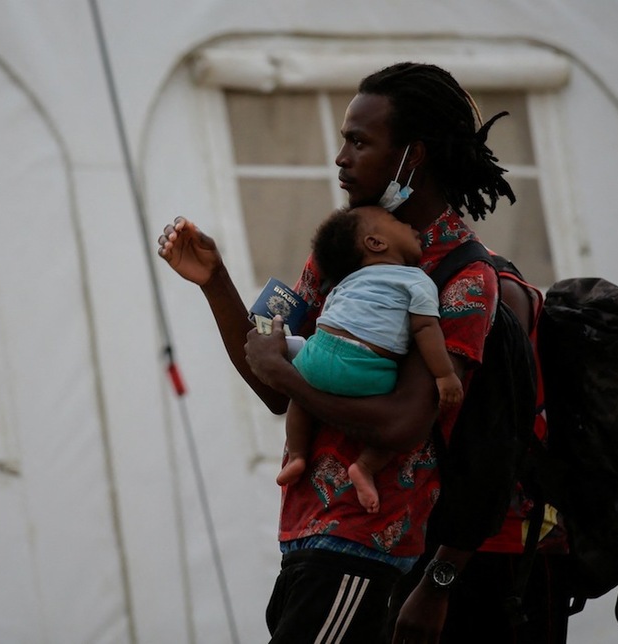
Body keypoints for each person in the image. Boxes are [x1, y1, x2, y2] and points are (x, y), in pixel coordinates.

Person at [158, 61, 515, 643]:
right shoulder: (346, 245)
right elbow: (273, 382)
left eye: (358, 141)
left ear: (412, 156)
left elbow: (402, 423)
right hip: (306, 538)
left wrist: (290, 377)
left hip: (363, 547)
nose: (341, 157)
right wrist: (216, 282)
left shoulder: (463, 277)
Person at [388, 261, 573, 643]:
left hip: (504, 549)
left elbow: (493, 450)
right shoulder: (420, 280)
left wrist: (438, 582)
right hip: (443, 542)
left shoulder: (491, 286)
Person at [278, 205, 463, 514]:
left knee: (301, 397)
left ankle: (297, 454)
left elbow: (330, 317)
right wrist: (444, 375)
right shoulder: (416, 281)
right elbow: (425, 327)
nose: (408, 225)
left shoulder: (345, 282)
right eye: (395, 222)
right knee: (396, 421)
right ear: (376, 243)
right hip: (367, 369)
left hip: (319, 353)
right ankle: (364, 467)